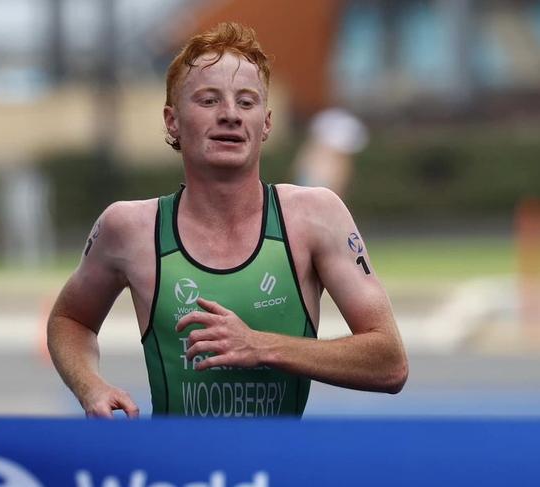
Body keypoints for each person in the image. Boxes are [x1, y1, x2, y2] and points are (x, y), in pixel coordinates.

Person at [47, 22, 408, 418]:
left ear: (266, 123)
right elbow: (70, 319)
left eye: (247, 102)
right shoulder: (128, 228)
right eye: (208, 100)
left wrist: (261, 346)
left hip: (274, 475)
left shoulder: (316, 217)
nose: (231, 115)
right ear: (172, 121)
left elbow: (389, 362)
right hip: (178, 478)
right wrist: (90, 386)